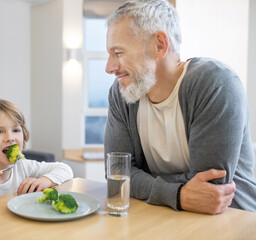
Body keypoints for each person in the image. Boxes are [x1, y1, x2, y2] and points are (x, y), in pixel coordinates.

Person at [104, 0, 256, 214]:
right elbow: (117, 174)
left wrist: (140, 179)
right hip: (163, 216)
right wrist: (178, 194)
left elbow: (209, 190)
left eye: (118, 53)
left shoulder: (215, 83)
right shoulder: (122, 92)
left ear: (159, 45)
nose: (109, 68)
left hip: (233, 219)